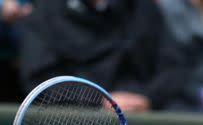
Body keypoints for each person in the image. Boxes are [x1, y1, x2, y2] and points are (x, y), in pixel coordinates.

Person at [19, 0, 175, 112]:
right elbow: (40, 81)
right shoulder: (46, 13)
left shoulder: (142, 8)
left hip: (145, 119)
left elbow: (172, 67)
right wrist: (98, 100)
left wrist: (147, 99)